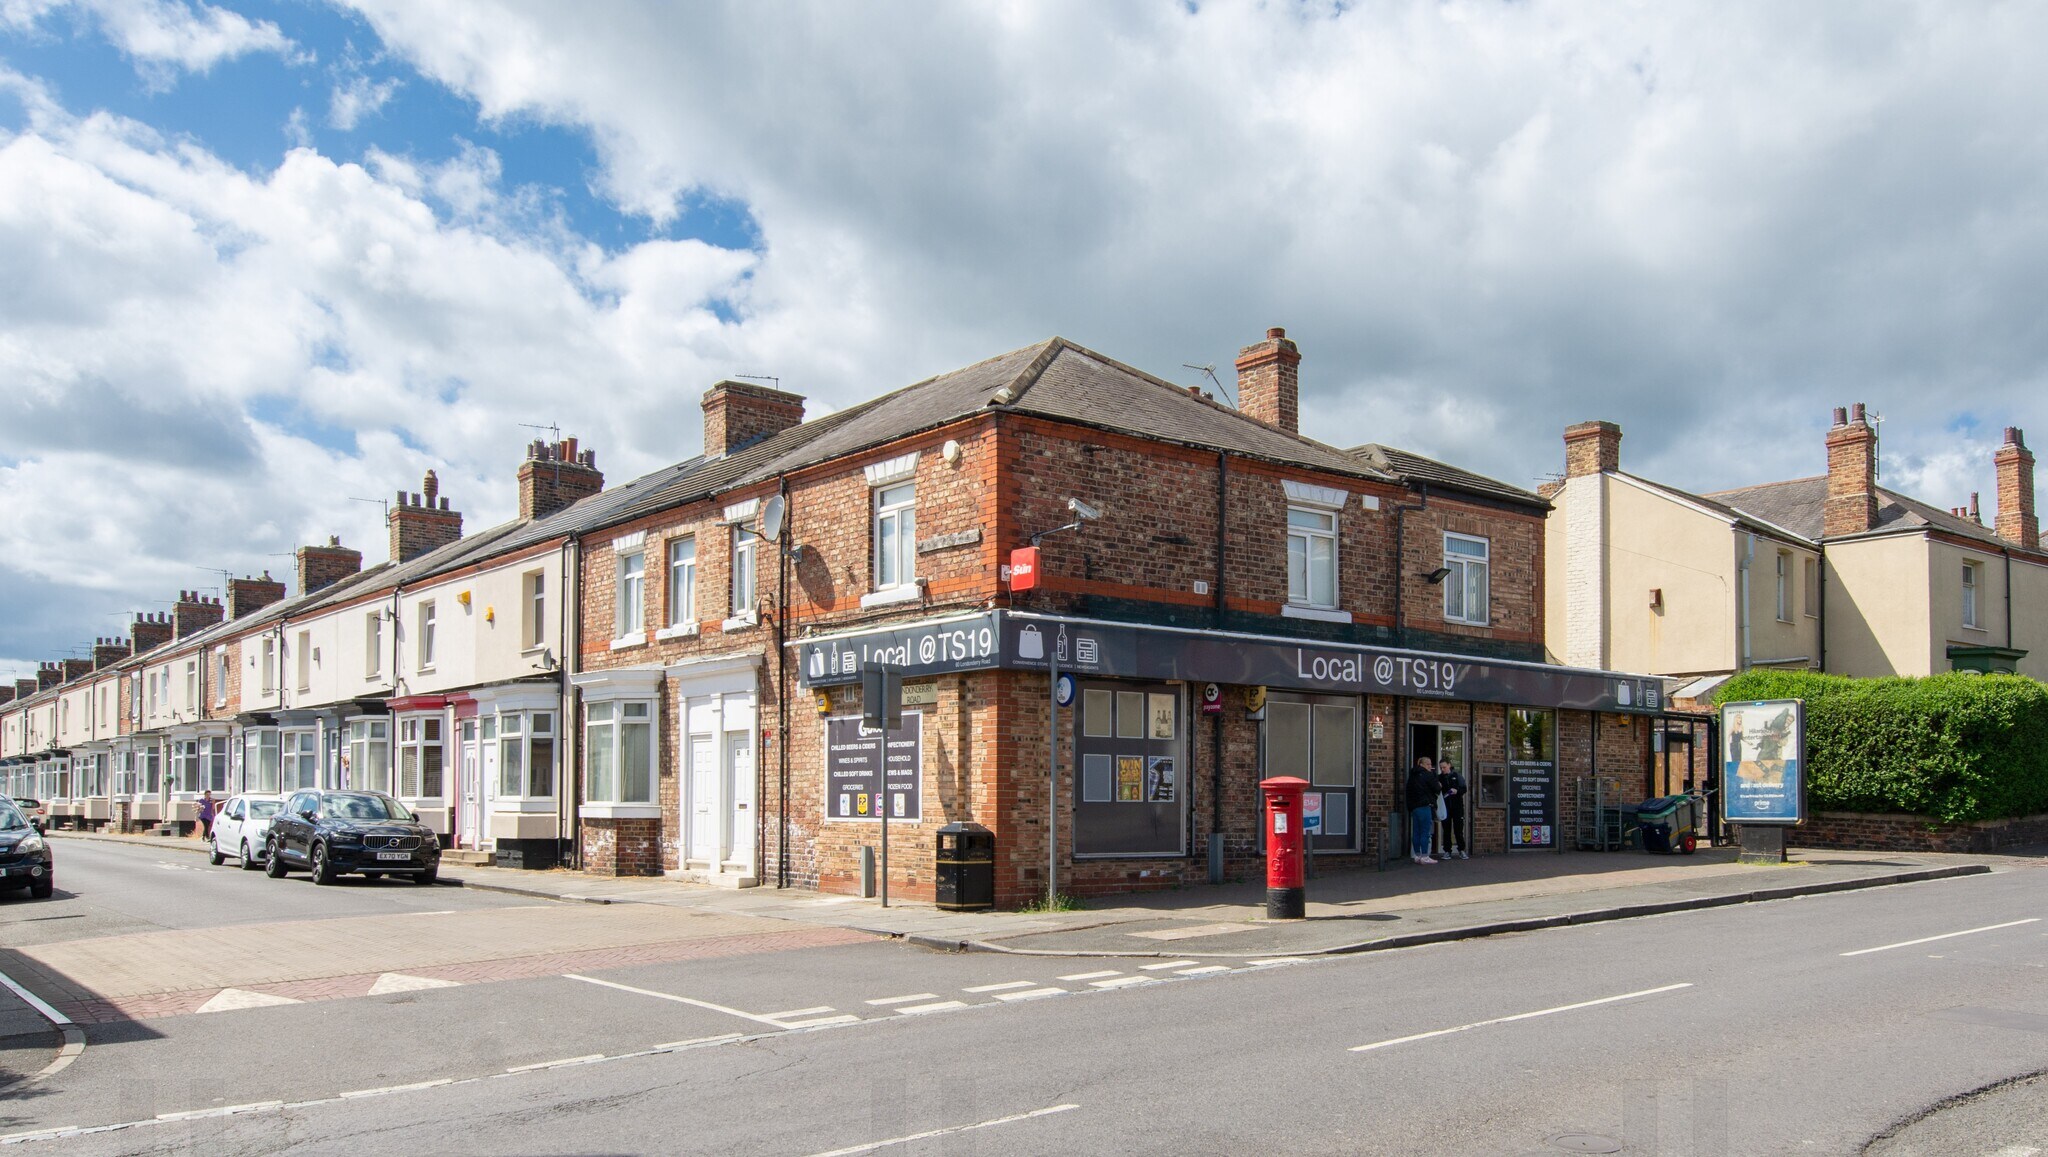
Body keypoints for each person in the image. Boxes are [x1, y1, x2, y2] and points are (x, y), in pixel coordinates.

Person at [1405, 756, 1439, 865]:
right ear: (1422, 764)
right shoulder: (1428, 775)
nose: (1430, 766)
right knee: (1425, 832)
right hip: (1424, 806)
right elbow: (1437, 789)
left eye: (1430, 764)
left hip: (1414, 807)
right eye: (1428, 764)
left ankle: (1417, 855)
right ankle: (1425, 856)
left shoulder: (1412, 776)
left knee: (1416, 832)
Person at [1437, 760, 1469, 859]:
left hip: (1457, 806)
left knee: (1458, 829)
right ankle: (1447, 851)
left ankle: (1461, 850)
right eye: (1441, 768)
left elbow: (1464, 788)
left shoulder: (1457, 776)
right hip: (1445, 807)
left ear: (1449, 765)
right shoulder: (1439, 778)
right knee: (1446, 829)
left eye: (1444, 767)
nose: (1442, 769)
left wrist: (1457, 791)